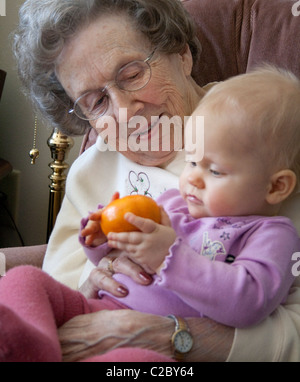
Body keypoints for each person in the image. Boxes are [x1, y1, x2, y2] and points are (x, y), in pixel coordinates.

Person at [9, 0, 300, 362]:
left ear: (181, 53)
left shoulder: (268, 145)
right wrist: (96, 269)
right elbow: (63, 280)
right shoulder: (93, 170)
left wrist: (169, 335)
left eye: (131, 74)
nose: (124, 112)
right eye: (95, 100)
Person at [80, 67, 300, 328]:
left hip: (150, 338)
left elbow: (249, 303)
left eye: (215, 170)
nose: (193, 178)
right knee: (26, 283)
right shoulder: (173, 204)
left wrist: (168, 257)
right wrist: (103, 238)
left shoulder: (272, 236)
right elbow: (120, 256)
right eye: (192, 161)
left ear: (276, 187)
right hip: (98, 308)